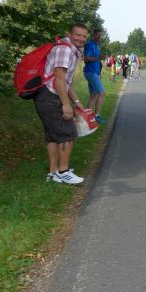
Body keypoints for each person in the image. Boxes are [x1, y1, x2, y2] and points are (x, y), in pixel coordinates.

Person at [34, 23, 89, 184]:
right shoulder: (65, 50)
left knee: (52, 136)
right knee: (67, 132)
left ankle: (53, 173)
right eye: (78, 35)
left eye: (84, 36)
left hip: (46, 95)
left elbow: (67, 82)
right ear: (69, 34)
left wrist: (77, 102)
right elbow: (59, 79)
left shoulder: (71, 49)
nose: (81, 39)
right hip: (51, 95)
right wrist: (66, 104)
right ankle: (64, 172)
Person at [82, 29, 106, 125]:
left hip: (95, 73)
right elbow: (86, 59)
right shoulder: (89, 44)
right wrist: (99, 58)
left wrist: (101, 58)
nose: (100, 37)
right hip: (91, 73)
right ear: (94, 35)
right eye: (98, 35)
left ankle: (87, 117)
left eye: (101, 35)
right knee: (102, 93)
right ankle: (96, 116)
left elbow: (96, 60)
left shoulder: (97, 46)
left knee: (93, 95)